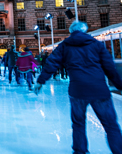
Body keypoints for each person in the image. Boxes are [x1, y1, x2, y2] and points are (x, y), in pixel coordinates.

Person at [35, 21, 122, 154]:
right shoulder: (96, 44)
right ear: (85, 30)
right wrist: (119, 85)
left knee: (78, 124)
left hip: (78, 90)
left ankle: (80, 151)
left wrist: (41, 81)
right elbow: (109, 67)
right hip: (99, 89)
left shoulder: (64, 45)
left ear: (71, 31)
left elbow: (51, 63)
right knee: (111, 125)